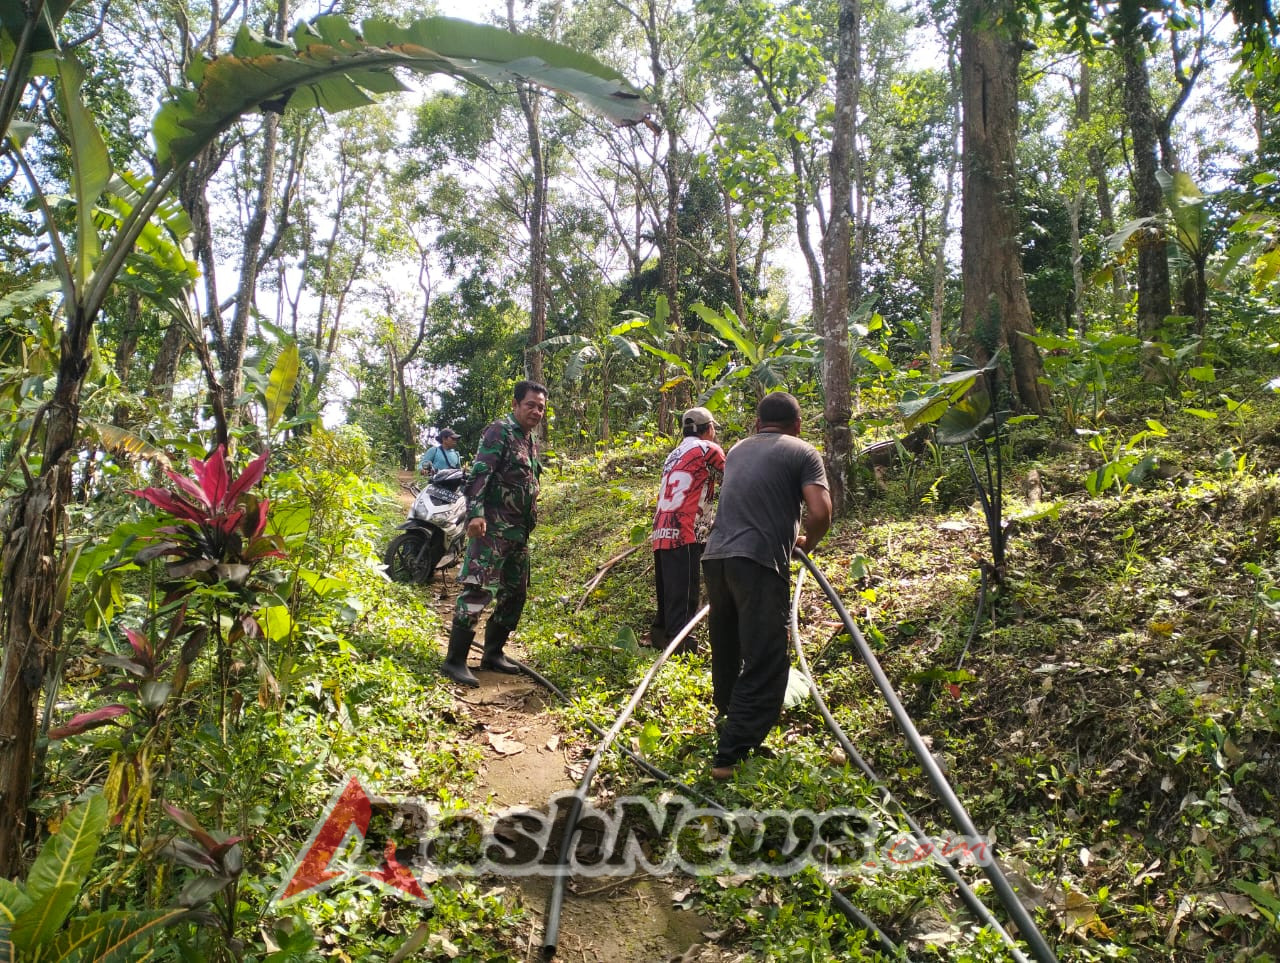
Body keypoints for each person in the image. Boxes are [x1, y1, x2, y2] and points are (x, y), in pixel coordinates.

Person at [700, 392, 832, 780]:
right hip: (757, 562)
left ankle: (727, 716)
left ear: (757, 424)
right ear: (798, 425)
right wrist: (809, 541)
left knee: (727, 645)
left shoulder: (738, 449)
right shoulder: (803, 451)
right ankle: (732, 754)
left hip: (716, 557)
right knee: (767, 657)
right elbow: (821, 511)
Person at [440, 381, 547, 687]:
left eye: (540, 407)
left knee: (515, 592)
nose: (536, 411)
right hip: (492, 528)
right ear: (516, 404)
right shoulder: (499, 431)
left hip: (518, 532)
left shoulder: (529, 440)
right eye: (530, 405)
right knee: (478, 589)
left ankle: (493, 653)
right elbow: (479, 474)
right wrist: (475, 513)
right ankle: (455, 661)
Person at [648, 406, 725, 654]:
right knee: (686, 591)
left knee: (667, 589)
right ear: (709, 428)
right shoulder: (708, 449)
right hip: (685, 529)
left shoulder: (673, 453)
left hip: (662, 528)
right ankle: (682, 645)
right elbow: (734, 475)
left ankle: (661, 635)